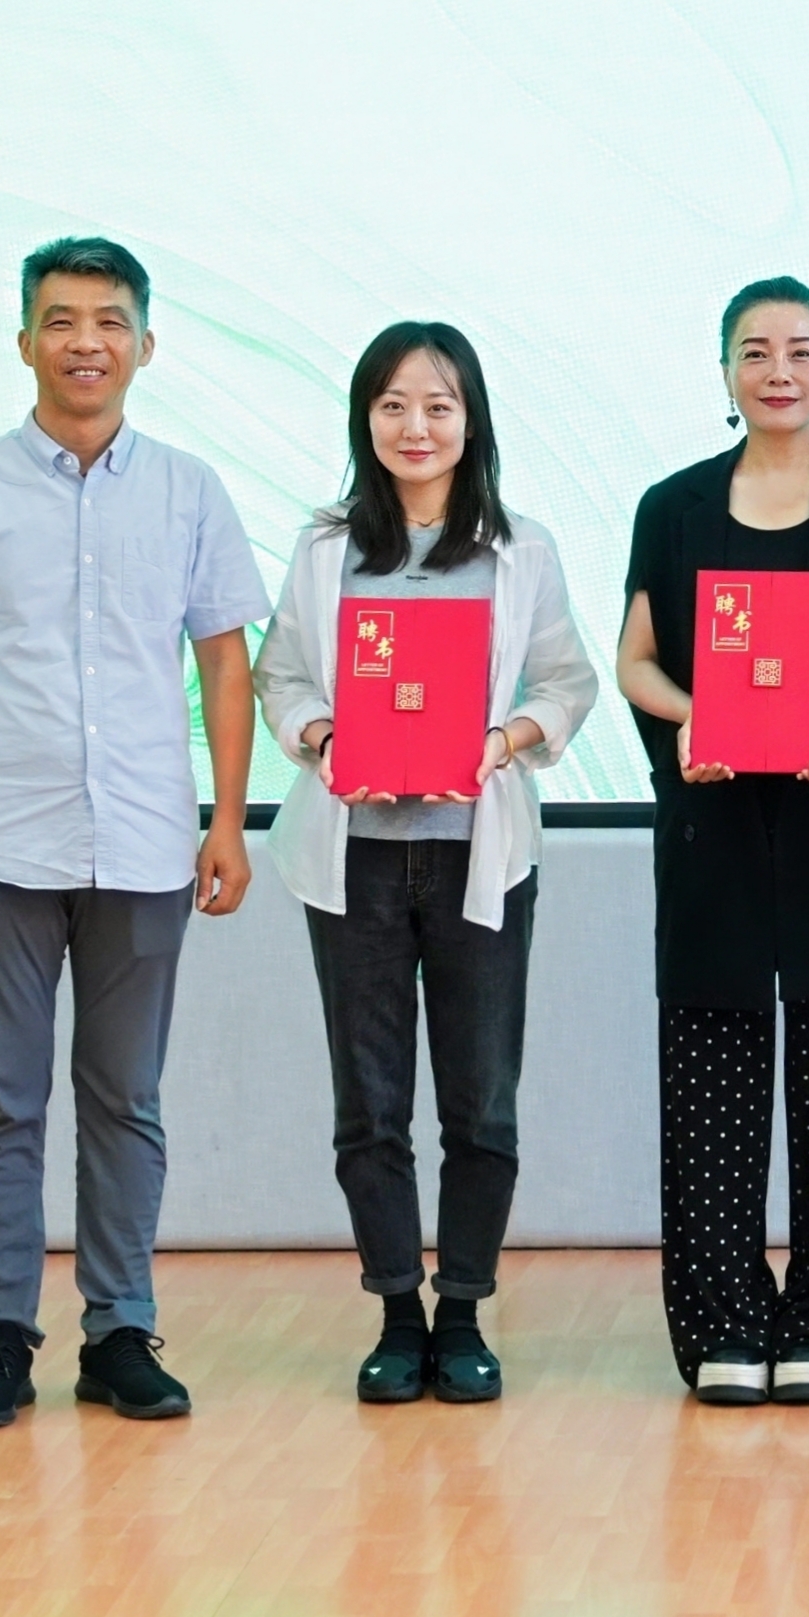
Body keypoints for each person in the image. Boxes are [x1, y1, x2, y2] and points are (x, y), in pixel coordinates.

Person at [0, 236, 269, 1431]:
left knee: (125, 1097)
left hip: (147, 839)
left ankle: (120, 1329)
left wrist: (230, 819)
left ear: (146, 343)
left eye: (108, 320)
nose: (84, 341)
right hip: (0, 839)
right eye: (60, 319)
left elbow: (225, 663)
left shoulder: (190, 489)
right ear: (24, 341)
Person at [254, 323, 599, 1407]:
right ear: (366, 418)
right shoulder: (323, 549)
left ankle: (464, 1313)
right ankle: (398, 1312)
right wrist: (323, 737)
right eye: (394, 404)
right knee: (370, 1102)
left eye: (439, 406)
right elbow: (282, 678)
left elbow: (567, 682)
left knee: (480, 1099)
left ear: (471, 422)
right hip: (353, 860)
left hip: (476, 855)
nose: (416, 426)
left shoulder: (520, 547)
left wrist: (503, 741)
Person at [614, 277, 809, 1407]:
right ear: (725, 372)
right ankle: (724, 1324)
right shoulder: (674, 506)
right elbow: (636, 660)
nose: (779, 369)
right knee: (711, 1080)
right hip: (712, 821)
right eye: (754, 350)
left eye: (802, 349)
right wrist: (690, 716)